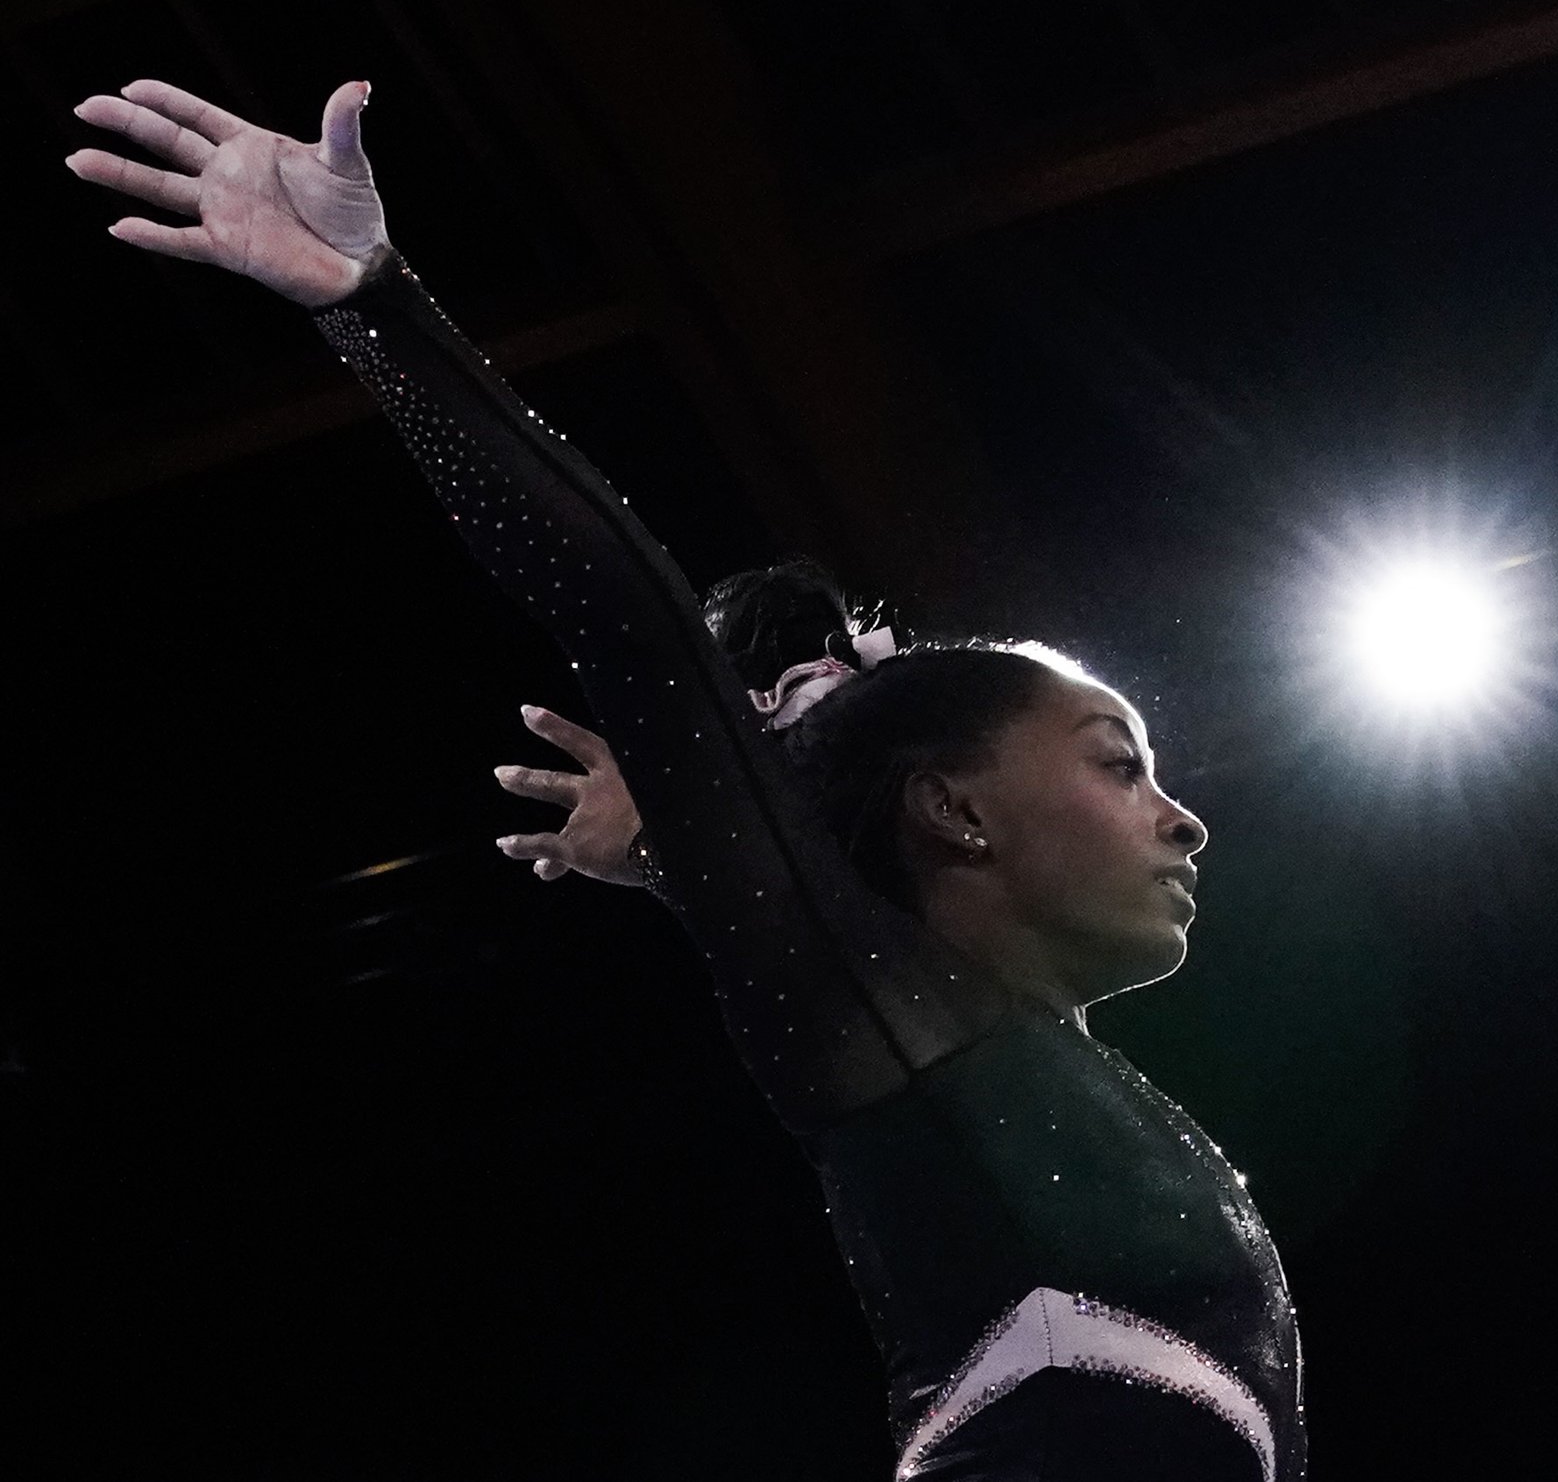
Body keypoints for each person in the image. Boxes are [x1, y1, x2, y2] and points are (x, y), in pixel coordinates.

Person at [67, 78, 1301, 1480]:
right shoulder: (898, 1036)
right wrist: (377, 304)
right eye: (1118, 763)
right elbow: (630, 619)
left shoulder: (997, 1075)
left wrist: (687, 865)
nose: (1182, 812)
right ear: (956, 807)